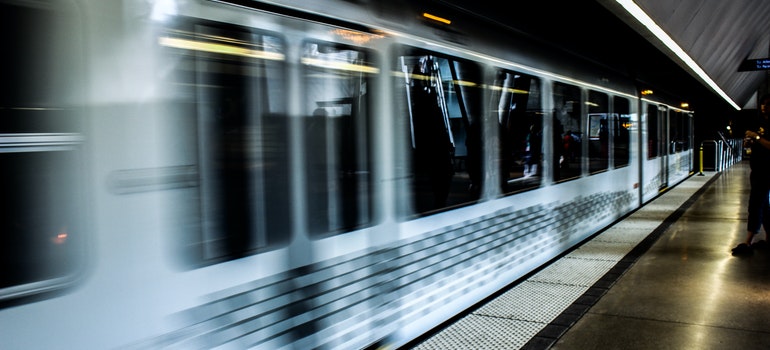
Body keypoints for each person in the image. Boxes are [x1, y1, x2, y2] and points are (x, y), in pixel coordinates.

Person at [732, 94, 770, 255]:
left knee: (755, 205)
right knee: (766, 207)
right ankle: (769, 240)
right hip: (758, 170)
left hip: (767, 171)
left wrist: (757, 137)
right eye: (763, 104)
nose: (764, 107)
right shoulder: (761, 123)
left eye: (768, 104)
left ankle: (748, 242)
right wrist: (750, 143)